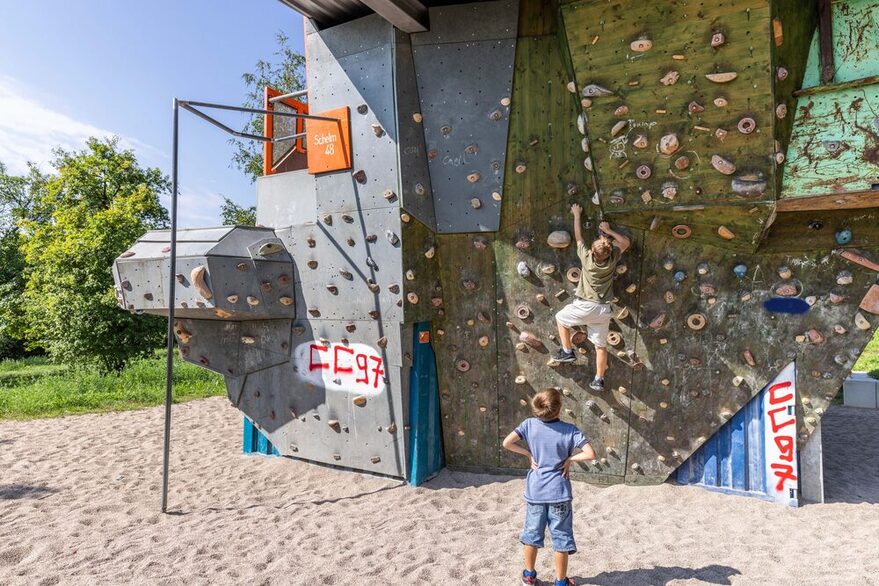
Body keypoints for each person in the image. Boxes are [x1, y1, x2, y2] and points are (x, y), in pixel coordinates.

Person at [502, 388, 597, 586]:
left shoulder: (528, 425)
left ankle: (529, 576)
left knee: (531, 535)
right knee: (561, 538)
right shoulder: (571, 430)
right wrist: (570, 458)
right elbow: (590, 454)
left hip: (535, 491)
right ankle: (561, 582)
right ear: (559, 408)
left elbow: (507, 443)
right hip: (559, 492)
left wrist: (528, 454)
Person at [551, 204, 630, 391]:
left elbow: (578, 237)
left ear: (592, 252)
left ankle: (567, 351)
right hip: (604, 310)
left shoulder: (587, 258)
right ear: (610, 251)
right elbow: (625, 242)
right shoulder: (613, 258)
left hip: (587, 305)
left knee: (561, 319)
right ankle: (598, 379)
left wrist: (577, 214)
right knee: (600, 346)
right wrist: (609, 231)